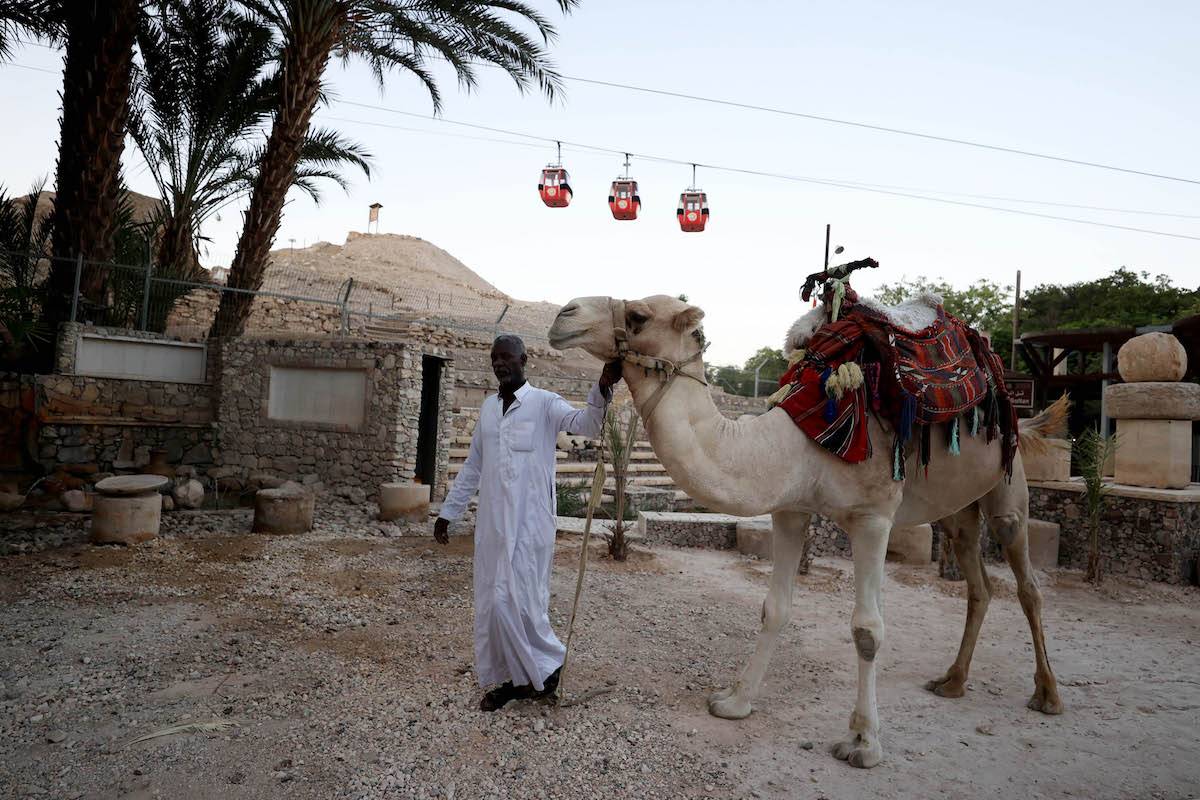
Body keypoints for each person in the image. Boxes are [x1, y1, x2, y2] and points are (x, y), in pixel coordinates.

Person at [435, 335, 622, 711]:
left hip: (530, 526)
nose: (500, 364)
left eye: (507, 357)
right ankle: (519, 678)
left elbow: (586, 423)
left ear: (524, 359)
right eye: (495, 358)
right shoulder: (488, 409)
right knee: (493, 601)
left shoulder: (543, 403)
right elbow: (474, 466)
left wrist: (602, 386)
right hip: (492, 528)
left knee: (520, 602)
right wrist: (448, 513)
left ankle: (547, 666)